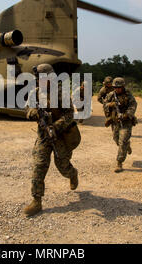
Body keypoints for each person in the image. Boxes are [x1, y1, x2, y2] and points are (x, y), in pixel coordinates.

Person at [23, 63, 81, 216]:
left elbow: (69, 114)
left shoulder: (60, 93)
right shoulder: (34, 93)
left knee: (62, 165)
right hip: (43, 137)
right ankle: (37, 201)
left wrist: (55, 126)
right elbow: (27, 110)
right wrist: (33, 113)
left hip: (60, 136)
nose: (40, 81)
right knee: (39, 166)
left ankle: (72, 174)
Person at [103, 77, 137, 173]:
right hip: (115, 122)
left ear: (123, 87)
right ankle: (127, 146)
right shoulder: (110, 95)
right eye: (115, 87)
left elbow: (133, 106)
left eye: (119, 87)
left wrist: (126, 115)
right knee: (116, 139)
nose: (117, 89)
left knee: (122, 142)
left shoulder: (128, 95)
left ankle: (119, 162)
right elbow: (105, 105)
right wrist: (110, 105)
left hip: (126, 122)